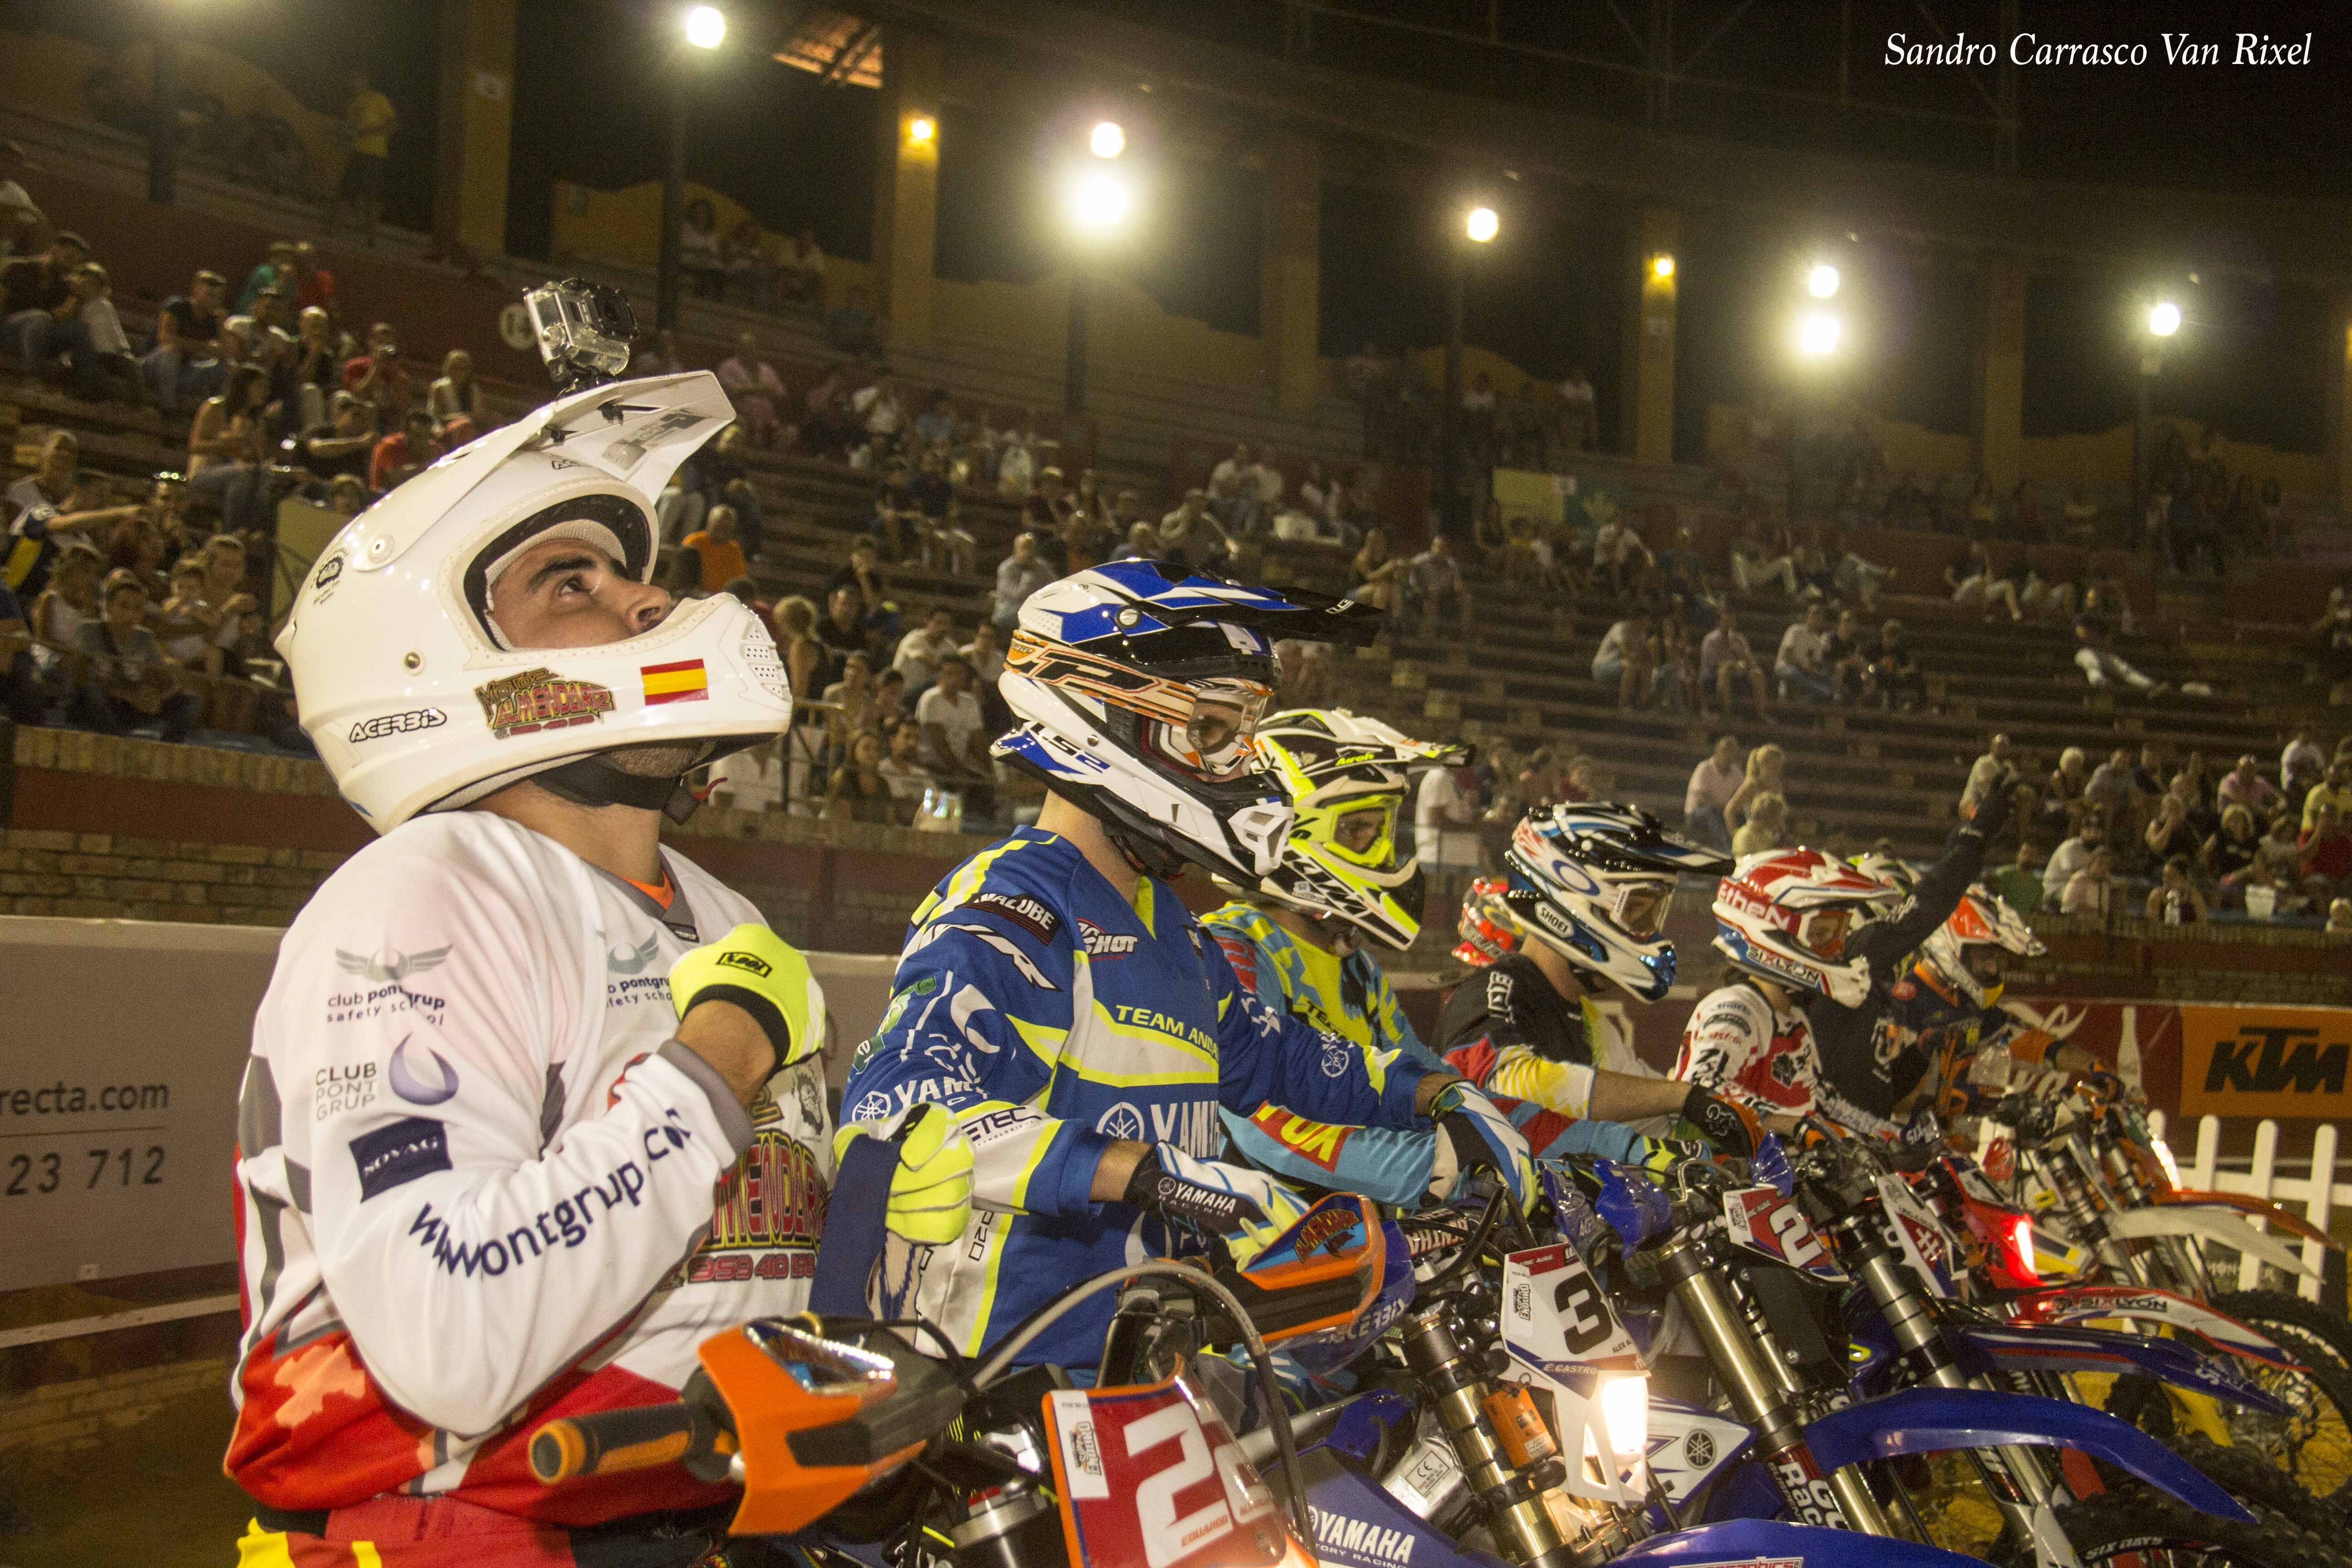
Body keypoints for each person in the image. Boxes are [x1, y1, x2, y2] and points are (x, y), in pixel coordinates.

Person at [230, 352, 971, 1558]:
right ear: (438, 662)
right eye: (569, 580)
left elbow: (729, 1284)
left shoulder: (728, 915)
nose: (643, 603)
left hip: (713, 1513)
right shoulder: (422, 895)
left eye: (634, 571)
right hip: (466, 1529)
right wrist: (712, 1065)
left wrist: (873, 1225)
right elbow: (450, 1334)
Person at [837, 561, 1524, 1367]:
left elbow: (1274, 1057)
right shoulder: (1012, 904)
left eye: (1243, 735)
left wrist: (1436, 1093)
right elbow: (894, 1107)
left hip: (1146, 1363)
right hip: (1001, 1381)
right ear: (1106, 714)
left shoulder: (1172, 925)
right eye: (1211, 732)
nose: (1241, 766)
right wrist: (1150, 1175)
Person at [1805, 784, 2023, 1127]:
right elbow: (1930, 903)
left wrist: (1920, 1054)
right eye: (1896, 911)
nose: (1907, 942)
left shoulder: (1866, 986)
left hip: (1859, 1147)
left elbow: (1882, 1094)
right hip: (1829, 1148)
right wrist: (1973, 839)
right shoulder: (1849, 963)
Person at [1673, 849, 1911, 1137]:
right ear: (1773, 929)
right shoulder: (1735, 1009)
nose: (1838, 949)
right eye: (1822, 935)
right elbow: (1701, 1088)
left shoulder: (1793, 1019)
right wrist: (1797, 1129)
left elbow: (1827, 1104)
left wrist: (1892, 1137)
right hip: (1716, 1175)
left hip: (1771, 1177)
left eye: (1841, 934)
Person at [326, 66, 397, 247]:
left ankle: (373, 237)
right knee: (346, 193)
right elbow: (351, 131)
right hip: (356, 154)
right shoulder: (353, 104)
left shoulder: (378, 99)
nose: (354, 84)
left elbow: (393, 124)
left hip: (374, 155)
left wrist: (371, 132)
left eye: (357, 80)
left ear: (365, 81)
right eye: (352, 81)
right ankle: (333, 230)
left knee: (372, 198)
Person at [1700, 607, 1773, 719]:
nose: (1730, 625)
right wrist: (1735, 665)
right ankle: (1728, 713)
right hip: (1713, 675)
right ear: (1719, 622)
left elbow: (1752, 664)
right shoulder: (1711, 639)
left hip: (1736, 674)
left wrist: (1739, 649)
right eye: (1726, 621)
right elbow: (1715, 664)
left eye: (1732, 621)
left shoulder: (1739, 639)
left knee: (1757, 673)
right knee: (1726, 671)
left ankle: (1761, 714)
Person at [1684, 735, 1743, 850]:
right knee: (1711, 813)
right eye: (1726, 751)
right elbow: (1702, 800)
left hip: (1723, 813)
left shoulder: (1736, 773)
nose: (1728, 755)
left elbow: (1743, 796)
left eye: (1732, 752)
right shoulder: (1704, 768)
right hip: (1697, 814)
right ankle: (1726, 850)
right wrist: (1727, 807)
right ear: (1717, 751)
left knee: (1742, 816)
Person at [1592, 608, 1656, 710]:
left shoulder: (1641, 634)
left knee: (1647, 668)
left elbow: (1646, 657)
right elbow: (1627, 653)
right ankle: (1623, 705)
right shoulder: (1620, 628)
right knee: (1632, 666)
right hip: (1603, 668)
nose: (1648, 623)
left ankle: (1643, 703)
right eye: (1646, 620)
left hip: (1623, 667)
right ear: (1639, 620)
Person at [1774, 601, 1836, 705]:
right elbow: (1788, 654)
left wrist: (1812, 670)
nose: (1816, 619)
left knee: (1829, 679)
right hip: (1786, 666)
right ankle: (1819, 693)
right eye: (1814, 615)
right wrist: (1802, 665)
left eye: (1819, 617)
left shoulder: (1817, 640)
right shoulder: (1795, 630)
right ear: (1808, 616)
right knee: (1793, 673)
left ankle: (1814, 696)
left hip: (1805, 672)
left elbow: (1815, 663)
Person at [1987, 839, 2046, 916]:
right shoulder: (2004, 874)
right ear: (2018, 855)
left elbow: (2036, 910)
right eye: (2025, 853)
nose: (2028, 857)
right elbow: (1994, 901)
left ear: (2037, 859)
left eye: (2032, 855)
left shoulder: (2038, 885)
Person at [2145, 854, 2209, 925]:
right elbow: (2152, 924)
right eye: (2165, 876)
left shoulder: (2193, 897)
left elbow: (2202, 923)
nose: (2166, 880)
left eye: (2172, 876)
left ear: (2184, 878)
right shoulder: (2157, 895)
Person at [2061, 845, 2122, 917]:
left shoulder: (2105, 883)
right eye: (2100, 863)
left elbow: (2104, 911)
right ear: (2092, 863)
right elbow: (2069, 906)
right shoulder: (2080, 879)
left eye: (2107, 864)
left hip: (2098, 924)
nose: (2104, 868)